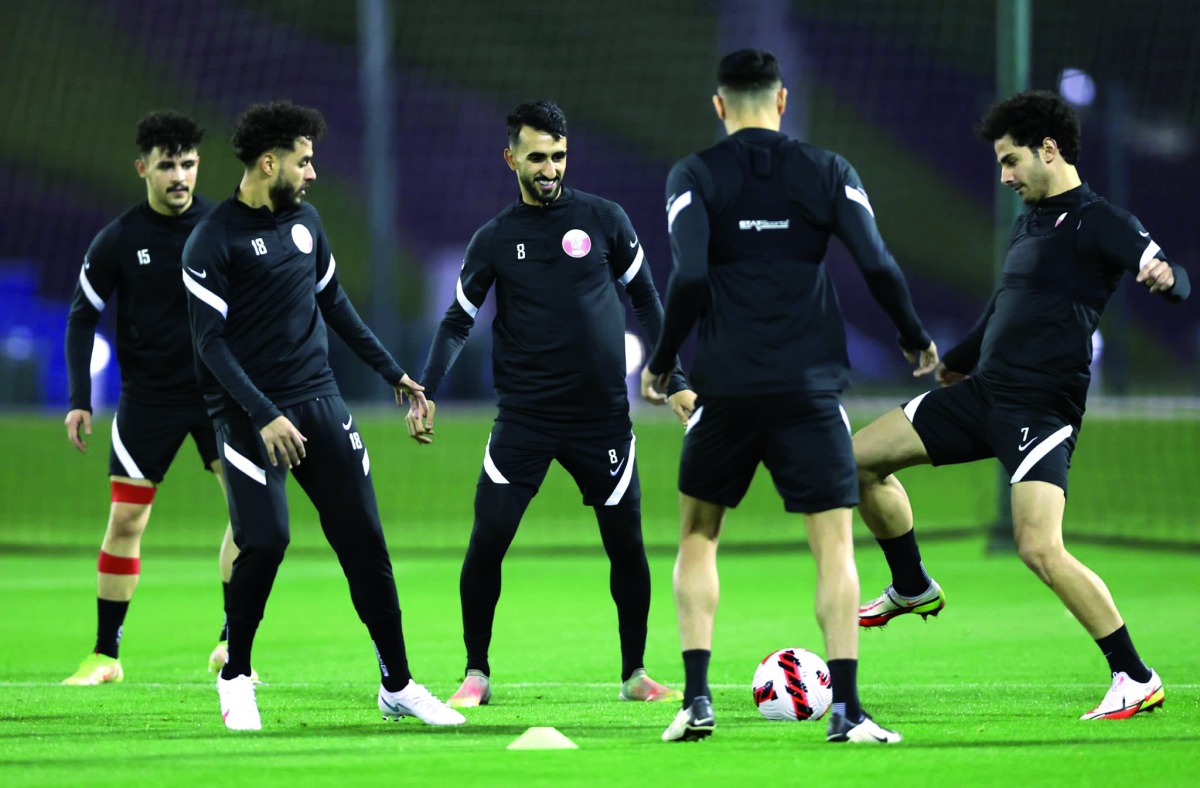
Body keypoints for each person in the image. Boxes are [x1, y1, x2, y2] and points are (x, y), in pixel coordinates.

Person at [854, 90, 1188, 720]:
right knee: (855, 462)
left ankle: (1135, 676)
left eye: (1011, 161)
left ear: (1049, 150)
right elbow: (1003, 308)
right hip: (983, 393)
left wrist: (1166, 277)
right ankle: (911, 583)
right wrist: (954, 361)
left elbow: (1168, 271)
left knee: (1039, 548)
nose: (1005, 176)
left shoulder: (1100, 220)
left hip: (1040, 408)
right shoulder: (1029, 219)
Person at [643, 49, 937, 744]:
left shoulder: (693, 173)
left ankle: (696, 702)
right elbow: (877, 263)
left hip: (724, 388)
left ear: (720, 106)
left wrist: (661, 365)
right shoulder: (828, 170)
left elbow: (686, 280)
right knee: (834, 546)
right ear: (782, 101)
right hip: (810, 388)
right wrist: (914, 337)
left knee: (697, 536)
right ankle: (848, 712)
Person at [182, 100, 463, 730]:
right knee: (268, 539)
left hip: (319, 399)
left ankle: (398, 684)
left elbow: (335, 304)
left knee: (364, 538)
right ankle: (236, 677)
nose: (311, 174)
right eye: (303, 162)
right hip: (246, 414)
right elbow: (211, 346)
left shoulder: (307, 223)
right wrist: (263, 415)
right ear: (268, 161)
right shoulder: (211, 240)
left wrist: (396, 374)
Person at [406, 100, 693, 709]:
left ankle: (635, 673)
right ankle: (476, 673)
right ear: (510, 157)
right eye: (537, 156)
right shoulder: (493, 239)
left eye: (558, 155)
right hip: (525, 419)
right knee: (488, 541)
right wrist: (425, 387)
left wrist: (674, 377)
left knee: (627, 547)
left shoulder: (607, 220)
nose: (550, 167)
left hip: (603, 419)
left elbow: (647, 300)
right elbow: (458, 321)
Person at [62, 111, 241, 686]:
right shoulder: (120, 238)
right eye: (167, 165)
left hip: (220, 395)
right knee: (126, 520)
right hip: (149, 401)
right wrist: (79, 398)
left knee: (252, 517)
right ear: (143, 168)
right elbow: (81, 317)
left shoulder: (222, 226)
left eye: (188, 164)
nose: (179, 175)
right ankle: (104, 655)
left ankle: (232, 646)